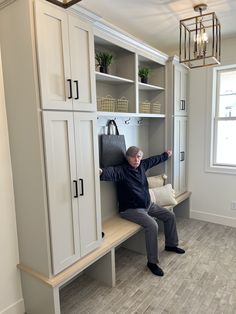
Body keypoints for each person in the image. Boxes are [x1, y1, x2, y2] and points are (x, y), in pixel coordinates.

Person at [99, 146, 185, 277]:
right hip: (131, 210)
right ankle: (152, 262)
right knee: (152, 225)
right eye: (133, 157)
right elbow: (111, 172)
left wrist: (166, 155)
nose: (136, 159)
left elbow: (154, 160)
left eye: (138, 156)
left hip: (147, 205)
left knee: (169, 215)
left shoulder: (142, 165)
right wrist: (100, 172)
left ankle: (171, 245)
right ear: (127, 158)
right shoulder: (122, 170)